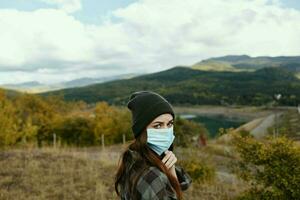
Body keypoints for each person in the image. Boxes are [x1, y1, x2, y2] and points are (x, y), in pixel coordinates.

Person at [115, 91, 192, 200]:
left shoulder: (132, 158)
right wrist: (172, 178)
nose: (166, 131)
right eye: (158, 126)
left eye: (169, 124)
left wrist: (171, 171)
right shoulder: (153, 177)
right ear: (141, 131)